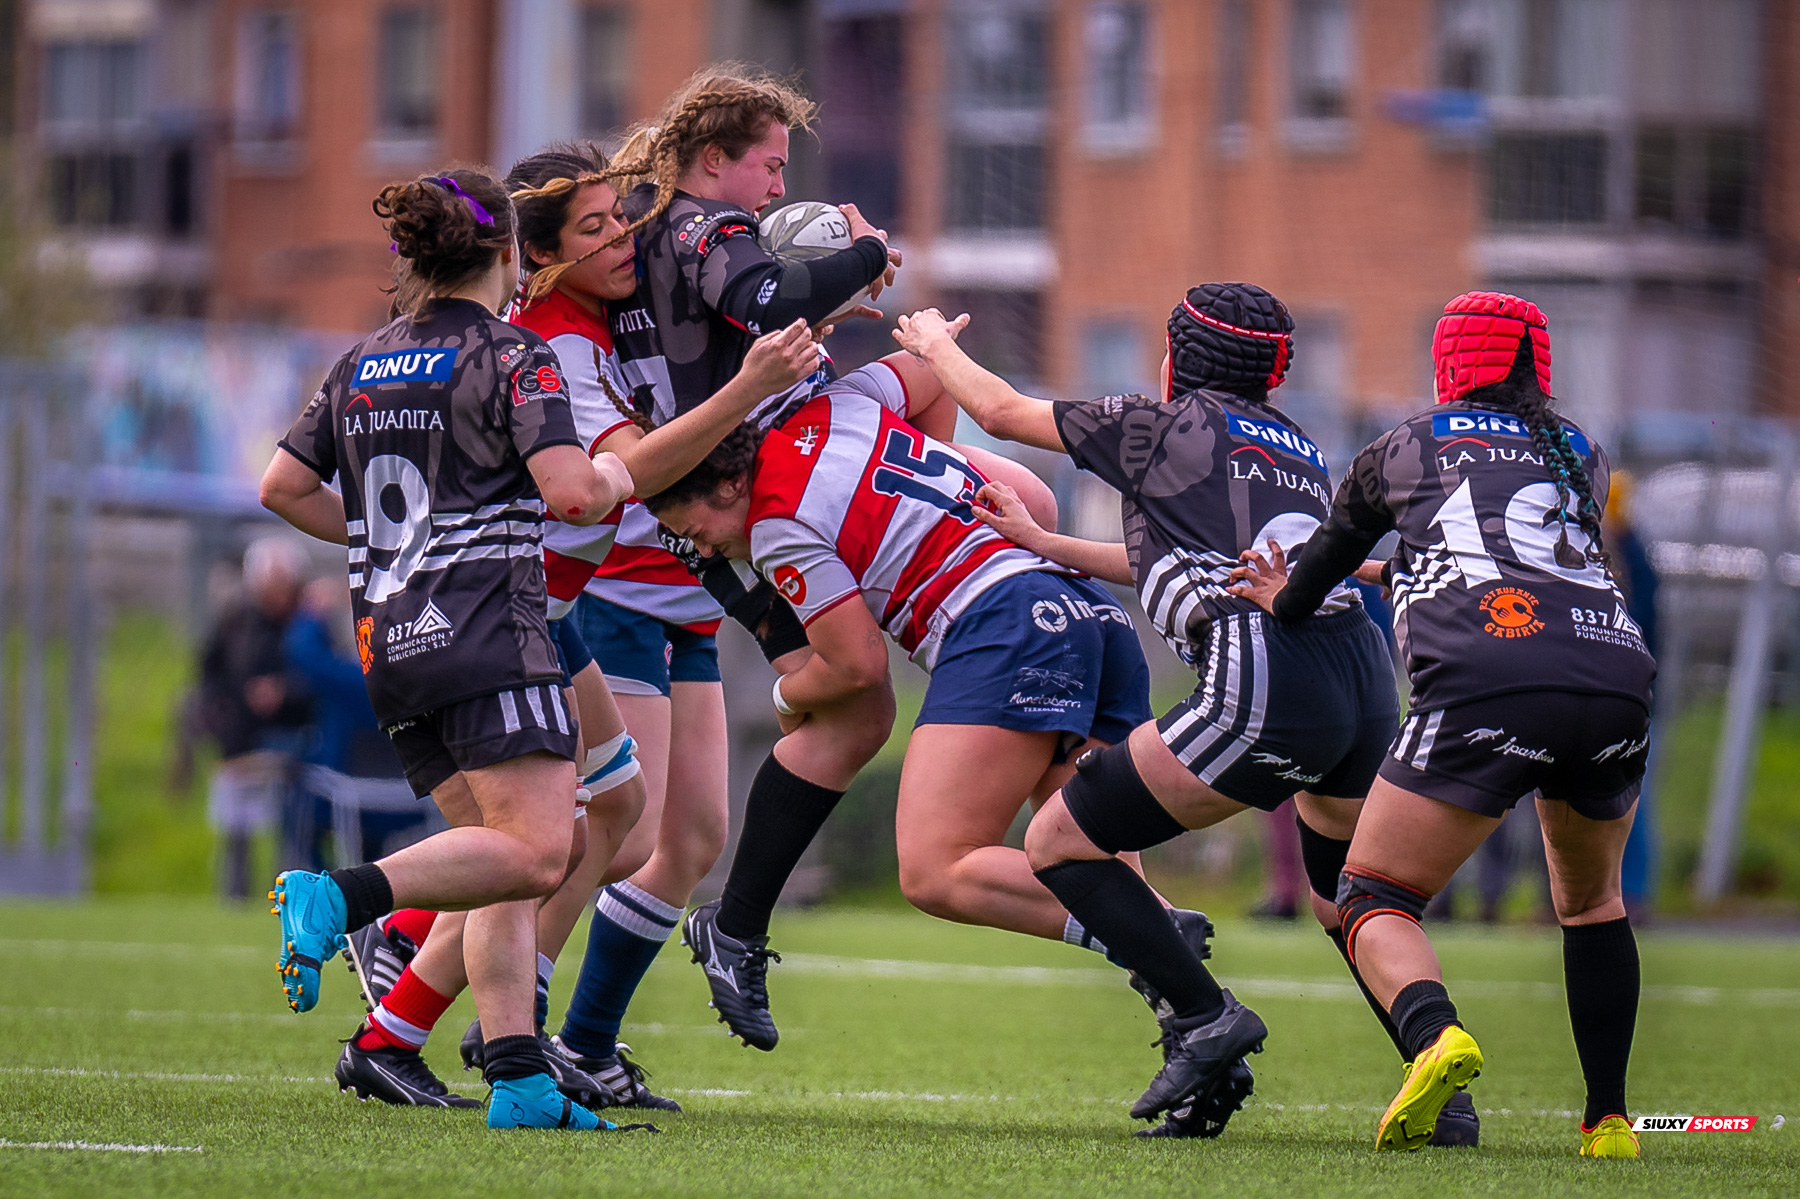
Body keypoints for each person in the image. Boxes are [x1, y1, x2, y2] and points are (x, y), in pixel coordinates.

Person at [895, 285, 1432, 1141]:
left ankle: (1202, 1013)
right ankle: (1439, 1068)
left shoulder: (1159, 426)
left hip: (1270, 682)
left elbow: (995, 409)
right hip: (1362, 685)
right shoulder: (1290, 445)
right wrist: (1049, 545)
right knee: (1349, 903)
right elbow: (1192, 557)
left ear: (1179, 361)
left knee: (1058, 842)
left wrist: (931, 344)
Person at [594, 62, 1059, 1050]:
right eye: (768, 164)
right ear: (712, 158)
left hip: (761, 465)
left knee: (1023, 499)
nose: (776, 185)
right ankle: (477, 974)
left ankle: (716, 940)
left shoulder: (648, 224)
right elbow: (764, 296)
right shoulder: (700, 225)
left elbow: (739, 328)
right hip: (738, 493)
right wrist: (864, 253)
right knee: (838, 705)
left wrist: (837, 300)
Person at [257, 165, 647, 1131]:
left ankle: (518, 1078)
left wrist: (391, 546)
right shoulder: (514, 357)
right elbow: (570, 494)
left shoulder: (362, 361)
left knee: (495, 858)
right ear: (511, 253)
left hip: (392, 637)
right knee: (540, 848)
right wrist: (614, 469)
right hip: (488, 633)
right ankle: (340, 892)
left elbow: (282, 486)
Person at [1229, 291, 1655, 1157]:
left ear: (1448, 364)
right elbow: (1510, 552)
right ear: (1539, 364)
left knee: (1371, 893)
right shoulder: (1580, 450)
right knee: (1592, 902)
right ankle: (1608, 1119)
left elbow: (1318, 575)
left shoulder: (1404, 445)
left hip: (1490, 682)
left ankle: (1436, 1036)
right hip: (1615, 674)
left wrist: (1289, 593)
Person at [643, 388, 1152, 1057]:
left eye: (694, 527)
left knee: (935, 864)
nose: (697, 543)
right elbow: (926, 373)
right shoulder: (844, 402)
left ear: (734, 479)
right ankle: (1200, 1016)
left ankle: (1153, 935)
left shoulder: (774, 519)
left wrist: (786, 698)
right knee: (1095, 853)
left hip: (1005, 612)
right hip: (1088, 605)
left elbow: (855, 666)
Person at [200, 536, 312, 897]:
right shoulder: (235, 620)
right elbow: (210, 674)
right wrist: (220, 716)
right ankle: (235, 897)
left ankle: (290, 894)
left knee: (291, 826)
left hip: (296, 739)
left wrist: (285, 691)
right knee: (237, 829)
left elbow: (324, 677)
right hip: (241, 738)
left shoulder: (310, 622)